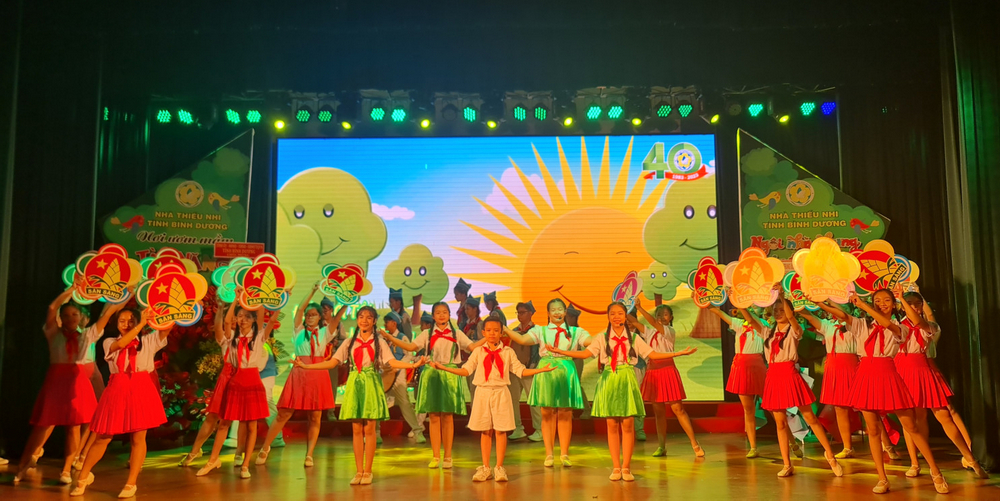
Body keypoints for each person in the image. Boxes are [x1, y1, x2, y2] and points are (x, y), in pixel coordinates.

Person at [546, 302, 697, 481]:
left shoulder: (634, 338)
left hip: (627, 379)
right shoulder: (602, 338)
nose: (616, 317)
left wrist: (678, 354)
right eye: (612, 314)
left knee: (627, 424)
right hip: (610, 379)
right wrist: (561, 351)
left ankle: (626, 467)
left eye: (620, 313)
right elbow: (586, 354)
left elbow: (653, 355)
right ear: (608, 317)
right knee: (612, 424)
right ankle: (616, 467)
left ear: (625, 316)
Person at [820, 289, 949, 494]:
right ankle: (882, 478)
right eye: (878, 300)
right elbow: (843, 315)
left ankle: (935, 471)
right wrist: (820, 302)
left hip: (888, 374)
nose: (882, 303)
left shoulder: (900, 327)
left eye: (886, 300)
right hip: (865, 375)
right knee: (873, 430)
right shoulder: (863, 324)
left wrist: (866, 305)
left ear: (894, 304)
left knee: (911, 426)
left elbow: (887, 325)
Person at [294, 306, 425, 485]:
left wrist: (412, 365)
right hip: (355, 384)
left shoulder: (380, 342)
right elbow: (332, 362)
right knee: (356, 429)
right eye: (361, 316)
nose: (364, 320)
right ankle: (358, 471)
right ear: (357, 320)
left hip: (371, 383)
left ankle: (368, 471)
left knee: (369, 429)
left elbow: (392, 361)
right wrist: (307, 366)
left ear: (374, 321)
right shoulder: (349, 342)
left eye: (369, 317)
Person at [14, 286, 125, 484]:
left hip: (78, 380)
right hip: (56, 380)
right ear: (61, 318)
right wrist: (72, 290)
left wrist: (128, 293)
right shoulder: (53, 333)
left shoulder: (87, 335)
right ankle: (23, 465)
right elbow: (51, 307)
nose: (70, 318)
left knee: (74, 427)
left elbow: (107, 314)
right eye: (66, 315)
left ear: (81, 317)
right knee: (43, 425)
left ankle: (66, 469)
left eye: (74, 314)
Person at [430, 317, 554, 482]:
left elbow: (520, 370)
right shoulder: (478, 351)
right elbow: (466, 370)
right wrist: (444, 368)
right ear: (483, 332)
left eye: (496, 330)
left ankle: (499, 467)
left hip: (501, 393)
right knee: (485, 431)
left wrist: (540, 370)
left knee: (501, 430)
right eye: (488, 330)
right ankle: (486, 467)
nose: (492, 334)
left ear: (502, 333)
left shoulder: (508, 352)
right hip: (483, 393)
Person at [740, 297, 844, 478]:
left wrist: (781, 296)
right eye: (775, 310)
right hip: (773, 377)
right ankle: (787, 464)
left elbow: (791, 318)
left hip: (790, 374)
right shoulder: (768, 332)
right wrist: (739, 302)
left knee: (810, 417)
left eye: (782, 310)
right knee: (780, 423)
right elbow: (750, 319)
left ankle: (830, 456)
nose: (778, 313)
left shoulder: (795, 329)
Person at [71, 308, 168, 498]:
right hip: (117, 387)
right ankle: (83, 477)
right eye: (122, 321)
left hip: (141, 387)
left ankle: (131, 483)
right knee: (103, 437)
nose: (126, 324)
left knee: (138, 438)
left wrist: (177, 307)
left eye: (131, 320)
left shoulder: (148, 341)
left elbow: (167, 327)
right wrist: (141, 324)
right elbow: (121, 344)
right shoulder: (109, 341)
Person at [896, 291, 987, 478]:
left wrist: (903, 299)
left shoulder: (930, 326)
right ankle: (914, 463)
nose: (913, 306)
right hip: (902, 372)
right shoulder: (897, 326)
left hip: (922, 371)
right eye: (909, 303)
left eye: (916, 303)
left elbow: (919, 322)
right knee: (910, 420)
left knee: (945, 415)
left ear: (922, 306)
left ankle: (970, 457)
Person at [256, 283, 346, 467]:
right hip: (299, 373)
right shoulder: (299, 330)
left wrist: (347, 301)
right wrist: (312, 290)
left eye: (314, 314)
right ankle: (265, 447)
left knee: (315, 416)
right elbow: (299, 309)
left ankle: (309, 454)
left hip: (318, 373)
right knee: (284, 413)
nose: (309, 317)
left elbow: (337, 318)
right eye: (308, 315)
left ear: (320, 317)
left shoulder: (325, 332)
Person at [196, 289, 276, 479]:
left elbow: (268, 318)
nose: (243, 319)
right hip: (236, 382)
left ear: (254, 320)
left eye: (247, 317)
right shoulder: (231, 338)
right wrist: (234, 301)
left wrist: (274, 300)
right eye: (240, 316)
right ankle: (212, 460)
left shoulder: (259, 337)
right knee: (224, 423)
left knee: (251, 426)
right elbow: (225, 322)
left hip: (253, 382)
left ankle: (246, 464)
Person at [384, 302, 475, 468]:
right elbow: (411, 346)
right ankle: (435, 456)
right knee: (433, 416)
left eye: (445, 312)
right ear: (433, 316)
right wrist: (390, 338)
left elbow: (472, 347)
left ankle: (448, 457)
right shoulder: (427, 334)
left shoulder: (457, 333)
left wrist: (489, 337)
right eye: (438, 312)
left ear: (449, 315)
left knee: (447, 417)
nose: (441, 315)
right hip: (432, 375)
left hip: (449, 375)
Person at [501, 299, 588, 467]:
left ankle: (564, 454)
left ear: (565, 312)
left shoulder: (576, 332)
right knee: (547, 414)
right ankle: (549, 454)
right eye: (553, 310)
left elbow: (591, 342)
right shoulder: (540, 330)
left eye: (560, 309)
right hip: (546, 371)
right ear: (548, 313)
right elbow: (522, 340)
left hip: (566, 371)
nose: (557, 312)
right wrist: (505, 329)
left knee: (565, 413)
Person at [631, 300, 703, 457]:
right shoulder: (649, 332)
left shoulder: (669, 331)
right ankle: (661, 446)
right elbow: (635, 322)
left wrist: (639, 307)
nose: (661, 317)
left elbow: (651, 322)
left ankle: (694, 444)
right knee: (659, 412)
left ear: (670, 318)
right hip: (653, 372)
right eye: (658, 314)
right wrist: (623, 307)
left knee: (678, 409)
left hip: (667, 370)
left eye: (665, 314)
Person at [706, 303, 766, 457]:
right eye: (748, 305)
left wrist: (746, 310)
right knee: (748, 409)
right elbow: (720, 313)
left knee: (772, 407)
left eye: (755, 306)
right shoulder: (739, 324)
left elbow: (752, 320)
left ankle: (791, 441)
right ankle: (753, 447)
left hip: (758, 366)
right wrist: (707, 304)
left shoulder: (764, 325)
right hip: (741, 366)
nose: (751, 308)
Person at [798, 308, 859, 458]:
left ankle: (885, 443)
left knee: (866, 407)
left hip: (852, 365)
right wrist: (799, 303)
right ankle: (847, 447)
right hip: (833, 366)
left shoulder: (856, 324)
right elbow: (810, 317)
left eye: (841, 308)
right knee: (839, 407)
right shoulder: (828, 325)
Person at [379, 310, 426, 444]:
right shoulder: (382, 338)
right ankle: (376, 432)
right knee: (379, 402)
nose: (385, 325)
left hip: (399, 375)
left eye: (387, 322)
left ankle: (417, 431)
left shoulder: (402, 338)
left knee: (405, 403)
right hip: (385, 374)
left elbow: (408, 355)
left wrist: (398, 367)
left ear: (394, 323)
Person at [503, 301, 543, 441]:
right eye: (518, 312)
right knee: (513, 400)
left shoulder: (537, 331)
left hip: (530, 369)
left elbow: (539, 352)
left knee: (534, 401)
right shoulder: (514, 331)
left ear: (530, 313)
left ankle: (540, 429)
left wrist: (534, 366)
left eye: (522, 312)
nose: (519, 315)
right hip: (514, 370)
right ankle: (517, 428)